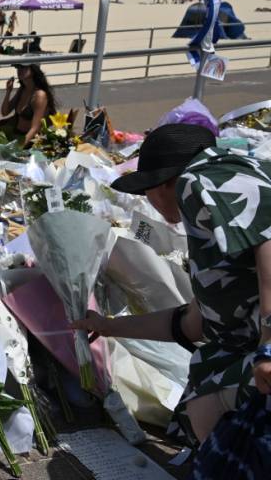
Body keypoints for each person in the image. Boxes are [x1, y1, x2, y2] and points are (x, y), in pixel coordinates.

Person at [74, 123, 271, 451]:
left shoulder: (196, 181)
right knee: (203, 401)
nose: (148, 202)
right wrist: (107, 327)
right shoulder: (217, 209)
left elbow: (269, 236)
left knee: (209, 406)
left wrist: (268, 344)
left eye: (146, 190)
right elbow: (190, 323)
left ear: (165, 183)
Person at [0, 63, 56, 145]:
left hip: (31, 141)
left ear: (33, 70)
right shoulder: (22, 90)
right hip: (17, 135)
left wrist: (19, 147)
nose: (19, 70)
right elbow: (4, 112)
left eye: (23, 67)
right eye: (17, 67)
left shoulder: (39, 95)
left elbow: (35, 128)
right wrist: (8, 91)